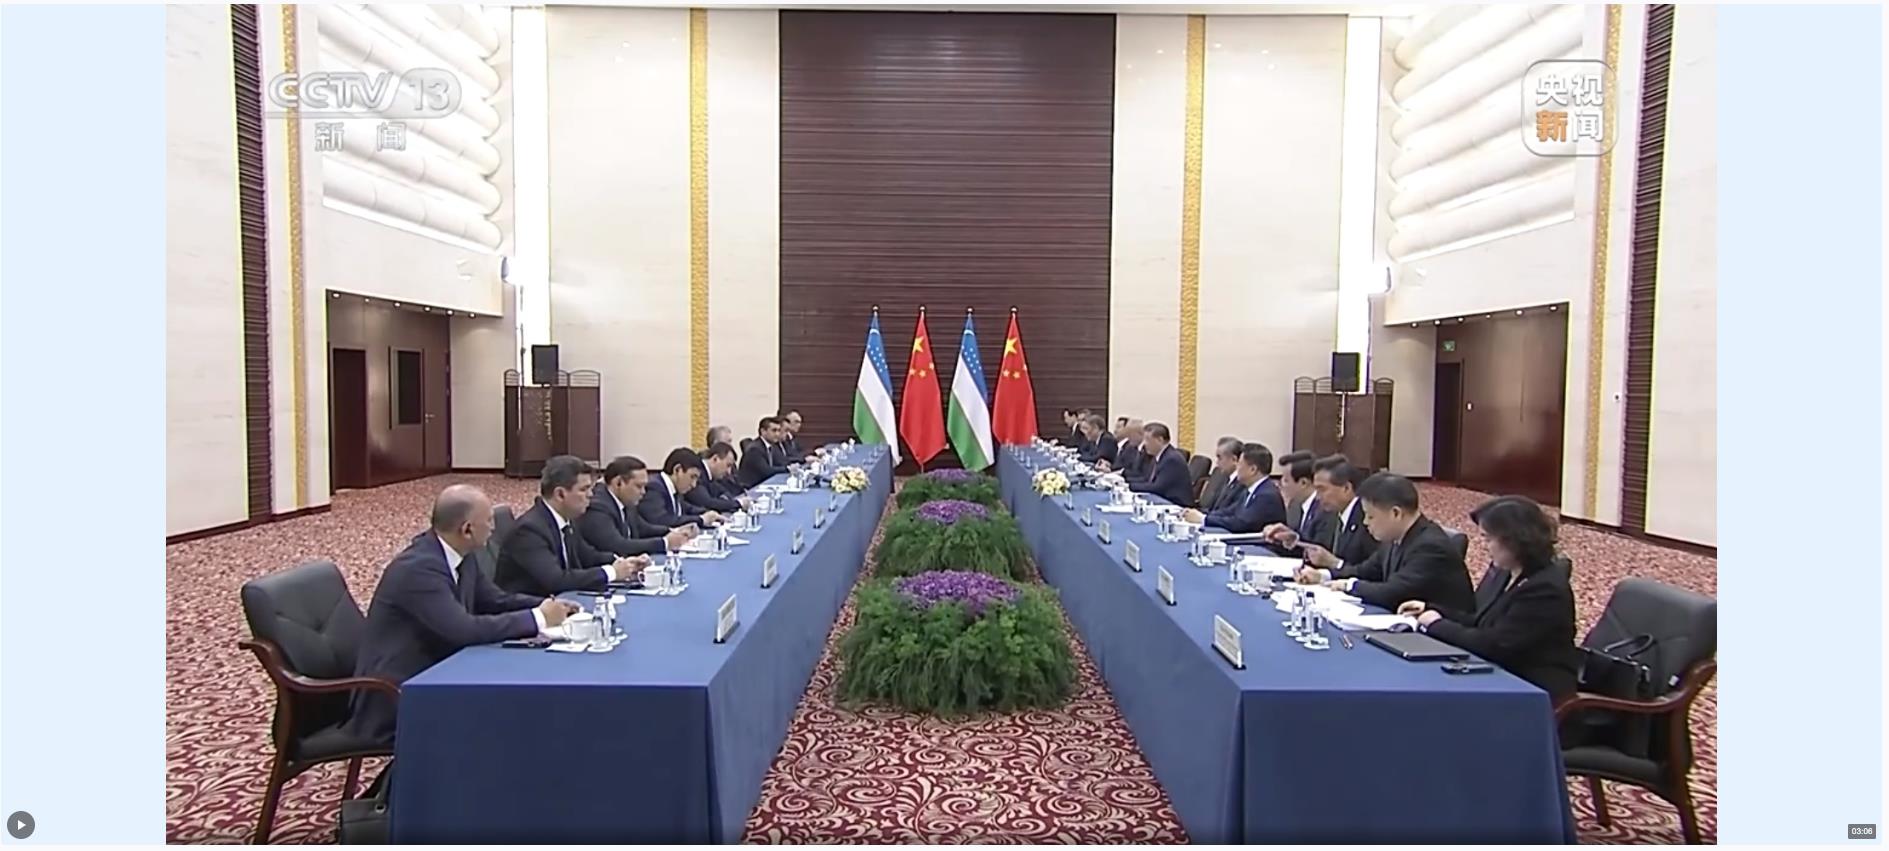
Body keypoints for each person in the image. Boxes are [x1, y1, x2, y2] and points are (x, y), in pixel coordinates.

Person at [348, 484, 579, 745]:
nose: (494, 527)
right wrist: (538, 618)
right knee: (509, 714)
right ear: (467, 529)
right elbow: (463, 630)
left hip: (441, 670)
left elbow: (494, 599)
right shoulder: (418, 569)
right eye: (489, 520)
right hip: (399, 694)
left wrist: (549, 606)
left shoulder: (460, 554)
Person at [1396, 496, 1579, 702]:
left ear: (1515, 540)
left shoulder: (1545, 589)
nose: (1485, 547)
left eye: (1488, 539)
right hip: (1499, 674)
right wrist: (1431, 609)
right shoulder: (1507, 573)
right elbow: (1481, 621)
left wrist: (1436, 625)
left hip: (1532, 690)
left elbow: (1494, 645)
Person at [1295, 472, 1474, 614]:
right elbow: (1365, 570)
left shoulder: (1430, 547)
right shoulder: (1394, 537)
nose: (1365, 522)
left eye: (1370, 516)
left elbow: (1392, 592)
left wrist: (1348, 585)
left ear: (1396, 513)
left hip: (1441, 638)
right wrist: (1323, 576)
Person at [497, 455, 647, 596]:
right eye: (584, 489)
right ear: (560, 494)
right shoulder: (529, 531)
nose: (591, 495)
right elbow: (556, 580)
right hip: (530, 607)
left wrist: (622, 562)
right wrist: (612, 572)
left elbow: (588, 555)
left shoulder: (567, 519)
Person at [1265, 455, 1374, 567]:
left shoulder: (1367, 518)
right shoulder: (1334, 514)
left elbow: (1370, 570)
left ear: (1346, 488)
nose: (1317, 497)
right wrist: (1294, 539)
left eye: (1322, 489)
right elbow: (1319, 550)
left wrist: (1335, 564)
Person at [580, 455, 697, 558]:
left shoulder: (626, 502)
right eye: (639, 486)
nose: (643, 492)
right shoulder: (598, 506)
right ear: (618, 483)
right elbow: (618, 545)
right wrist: (665, 543)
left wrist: (675, 531)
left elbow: (643, 529)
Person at [1184, 443, 1285, 533]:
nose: (1237, 468)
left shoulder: (1266, 495)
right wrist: (1200, 514)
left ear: (1253, 469)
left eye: (1240, 464)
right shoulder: (1250, 489)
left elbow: (1241, 523)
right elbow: (1229, 511)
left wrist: (1204, 519)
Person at [641, 447, 725, 529]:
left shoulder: (674, 489)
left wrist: (708, 513)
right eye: (692, 477)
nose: (693, 485)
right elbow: (662, 520)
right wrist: (701, 519)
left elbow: (687, 508)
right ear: (677, 470)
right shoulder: (654, 487)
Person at [1127, 421, 1193, 506]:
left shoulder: (1172, 459)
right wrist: (1124, 482)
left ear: (1160, 440)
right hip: (1162, 500)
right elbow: (1147, 479)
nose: (1144, 444)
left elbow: (1157, 488)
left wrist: (1129, 486)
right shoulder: (1159, 456)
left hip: (1176, 504)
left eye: (1147, 440)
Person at [686, 442, 750, 513]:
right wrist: (739, 503)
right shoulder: (698, 472)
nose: (729, 472)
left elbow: (723, 491)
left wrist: (724, 499)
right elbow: (708, 503)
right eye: (728, 465)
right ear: (715, 459)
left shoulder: (711, 475)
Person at [739, 416, 794, 488]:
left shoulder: (772, 446)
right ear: (763, 431)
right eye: (774, 430)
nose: (777, 434)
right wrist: (788, 469)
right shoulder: (754, 449)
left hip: (766, 484)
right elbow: (767, 471)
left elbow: (782, 461)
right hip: (753, 487)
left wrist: (794, 465)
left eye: (778, 430)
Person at [1276, 451, 1321, 541]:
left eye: (1286, 480)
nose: (1279, 484)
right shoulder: (1295, 506)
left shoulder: (1323, 511)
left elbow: (1317, 546)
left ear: (1303, 483)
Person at [1197, 437, 1245, 512]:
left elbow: (1227, 513)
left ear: (1234, 460)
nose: (1217, 462)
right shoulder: (1225, 478)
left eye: (1220, 458)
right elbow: (1212, 508)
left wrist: (1202, 517)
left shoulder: (1241, 484)